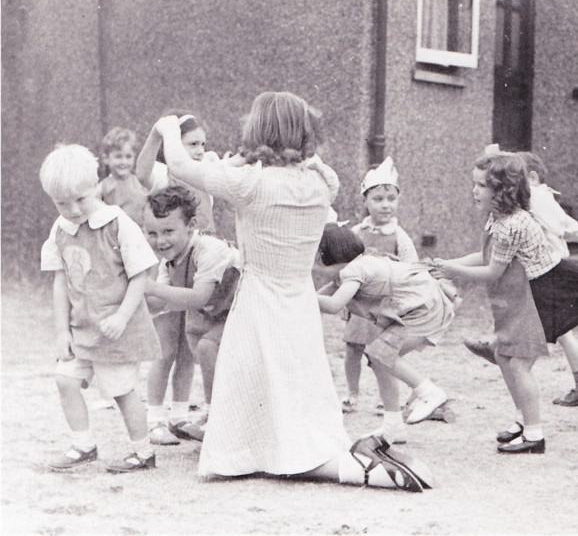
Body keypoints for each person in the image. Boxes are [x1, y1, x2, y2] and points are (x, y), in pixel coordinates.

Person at [149, 91, 431, 491]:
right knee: (295, 383)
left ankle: (355, 469)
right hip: (298, 296)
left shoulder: (250, 183)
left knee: (249, 379)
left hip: (259, 295)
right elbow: (307, 160)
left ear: (258, 132)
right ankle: (310, 455)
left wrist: (166, 129)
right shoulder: (323, 180)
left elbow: (178, 164)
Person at [431, 152, 578, 454]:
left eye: (481, 185)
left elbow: (492, 271)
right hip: (522, 295)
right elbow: (488, 258)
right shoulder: (498, 219)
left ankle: (535, 436)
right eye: (475, 184)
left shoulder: (512, 224)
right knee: (505, 357)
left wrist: (452, 270)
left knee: (518, 363)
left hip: (537, 296)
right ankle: (524, 420)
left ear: (502, 191)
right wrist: (445, 263)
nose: (474, 191)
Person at [463, 150, 578, 407]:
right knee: (556, 329)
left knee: (542, 330)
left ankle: (507, 353)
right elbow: (567, 226)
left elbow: (566, 224)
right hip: (538, 269)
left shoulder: (537, 196)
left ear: (530, 177)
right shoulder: (522, 205)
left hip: (542, 271)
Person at [39, 144, 161, 473]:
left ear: (96, 185)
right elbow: (60, 282)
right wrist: (62, 331)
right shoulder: (60, 229)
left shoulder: (118, 223)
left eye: (80, 199)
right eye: (62, 203)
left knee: (121, 391)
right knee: (65, 380)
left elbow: (140, 276)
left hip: (116, 330)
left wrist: (122, 316)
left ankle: (143, 452)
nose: (73, 209)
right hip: (82, 329)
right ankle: (83, 444)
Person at [317, 224, 455, 442]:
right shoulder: (357, 266)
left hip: (423, 307)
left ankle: (429, 392)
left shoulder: (354, 270)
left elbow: (334, 304)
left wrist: (301, 295)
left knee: (379, 354)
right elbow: (320, 297)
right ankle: (393, 426)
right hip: (421, 303)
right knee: (379, 358)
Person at [143, 185, 239, 442]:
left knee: (207, 347)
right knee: (197, 341)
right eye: (151, 233)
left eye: (168, 231)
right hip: (214, 315)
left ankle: (214, 415)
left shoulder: (209, 249)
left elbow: (198, 297)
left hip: (244, 311)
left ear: (191, 225)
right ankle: (218, 415)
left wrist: (151, 287)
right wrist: (131, 290)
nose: (160, 241)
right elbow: (164, 303)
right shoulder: (168, 262)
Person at [339, 157, 419, 416]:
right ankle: (352, 393)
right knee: (353, 348)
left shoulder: (399, 236)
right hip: (359, 302)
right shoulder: (357, 233)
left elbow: (412, 268)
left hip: (385, 307)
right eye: (378, 199)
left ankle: (389, 398)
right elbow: (344, 265)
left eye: (390, 199)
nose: (385, 205)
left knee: (382, 354)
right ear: (365, 201)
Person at [137, 111, 218, 233]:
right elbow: (142, 175)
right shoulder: (165, 175)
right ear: (173, 146)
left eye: (203, 145)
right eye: (193, 144)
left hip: (205, 247)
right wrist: (155, 134)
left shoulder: (204, 173)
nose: (200, 151)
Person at [98, 127, 149, 226]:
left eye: (128, 157)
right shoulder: (104, 186)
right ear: (106, 159)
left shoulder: (140, 182)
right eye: (118, 156)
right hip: (117, 234)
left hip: (141, 232)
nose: (124, 162)